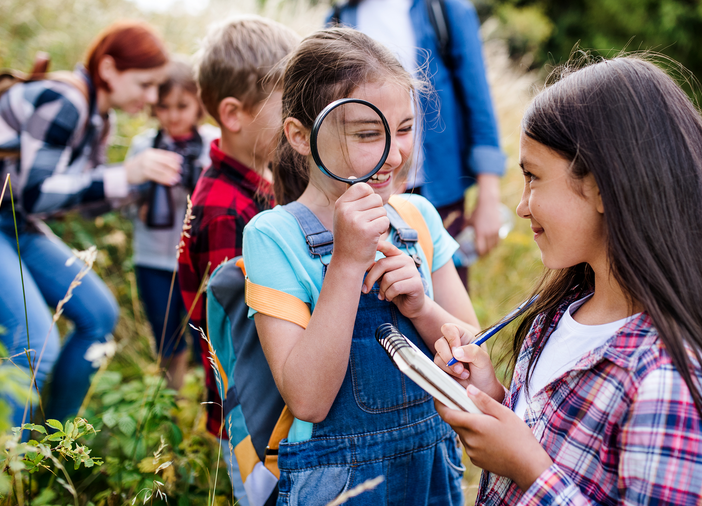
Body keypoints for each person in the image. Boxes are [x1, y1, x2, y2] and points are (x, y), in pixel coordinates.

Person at [434, 56, 702, 505]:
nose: (521, 206)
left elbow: (538, 462)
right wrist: (493, 399)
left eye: (533, 177)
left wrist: (528, 470)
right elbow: (553, 437)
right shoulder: (557, 317)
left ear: (599, 186)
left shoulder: (668, 378)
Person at [242, 28, 479, 506]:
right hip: (338, 485)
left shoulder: (419, 218)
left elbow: (471, 361)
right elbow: (308, 399)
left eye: (407, 128)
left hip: (432, 469)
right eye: (369, 134)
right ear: (300, 137)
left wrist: (421, 307)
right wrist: (346, 263)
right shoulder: (272, 237)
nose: (395, 155)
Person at [0, 21, 175, 427]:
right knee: (32, 342)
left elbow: (76, 202)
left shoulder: (100, 120)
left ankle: (51, 443)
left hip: (14, 221)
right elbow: (37, 194)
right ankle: (0, 471)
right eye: (145, 84)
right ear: (110, 69)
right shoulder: (66, 100)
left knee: (99, 314)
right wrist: (124, 174)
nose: (151, 98)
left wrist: (139, 187)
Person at [176, 15, 299, 506]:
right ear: (234, 114)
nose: (299, 122)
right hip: (254, 420)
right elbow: (244, 336)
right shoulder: (226, 210)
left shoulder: (252, 183)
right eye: (287, 107)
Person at [328, 0, 506, 288]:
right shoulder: (340, 16)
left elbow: (478, 101)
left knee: (446, 292)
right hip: (368, 186)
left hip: (440, 193)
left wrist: (489, 195)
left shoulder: (445, 10)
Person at [125, 59, 218, 391]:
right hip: (153, 258)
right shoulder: (144, 146)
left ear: (198, 105)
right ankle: (170, 407)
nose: (174, 115)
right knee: (166, 338)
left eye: (182, 106)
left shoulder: (212, 144)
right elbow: (124, 202)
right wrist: (144, 203)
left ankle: (211, 413)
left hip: (199, 260)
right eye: (163, 107)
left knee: (207, 343)